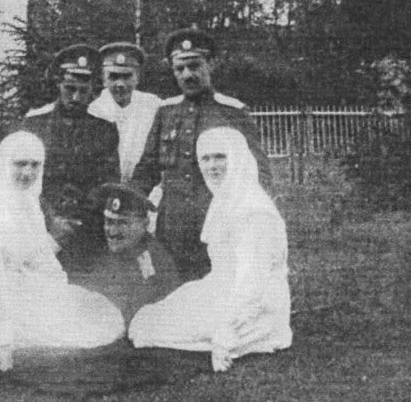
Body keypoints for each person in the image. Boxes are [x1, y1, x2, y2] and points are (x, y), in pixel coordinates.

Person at [0, 131, 125, 372]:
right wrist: (3, 342)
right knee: (61, 333)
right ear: (4, 162)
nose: (28, 173)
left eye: (35, 165)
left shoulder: (27, 199)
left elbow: (40, 255)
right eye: (20, 164)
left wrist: (58, 291)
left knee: (89, 316)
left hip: (22, 282)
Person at [128, 127, 292, 372]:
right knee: (146, 319)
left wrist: (227, 333)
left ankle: (236, 335)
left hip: (258, 307)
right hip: (225, 290)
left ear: (236, 158)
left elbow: (252, 285)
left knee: (150, 329)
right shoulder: (228, 199)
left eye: (220, 157)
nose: (212, 166)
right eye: (205, 159)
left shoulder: (254, 213)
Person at [131, 28, 271, 282]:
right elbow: (146, 169)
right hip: (172, 231)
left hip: (220, 228)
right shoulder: (166, 112)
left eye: (194, 66)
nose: (187, 75)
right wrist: (128, 208)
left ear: (211, 65)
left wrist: (255, 225)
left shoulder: (232, 112)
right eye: (179, 69)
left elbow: (259, 174)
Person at [19, 44, 121, 273]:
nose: (75, 97)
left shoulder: (105, 130)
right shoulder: (33, 125)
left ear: (93, 91)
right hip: (39, 225)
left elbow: (108, 183)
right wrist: (51, 219)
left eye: (83, 91)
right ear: (58, 84)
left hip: (86, 232)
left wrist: (77, 219)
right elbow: (21, 182)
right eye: (69, 88)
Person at [77, 182, 180, 324]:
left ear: (145, 224)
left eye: (123, 224)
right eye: (109, 222)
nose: (112, 232)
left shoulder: (152, 263)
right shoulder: (113, 251)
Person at [88, 42, 162, 182]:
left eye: (126, 76)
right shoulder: (94, 110)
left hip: (145, 186)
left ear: (137, 78)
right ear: (103, 79)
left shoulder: (152, 105)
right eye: (113, 77)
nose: (120, 84)